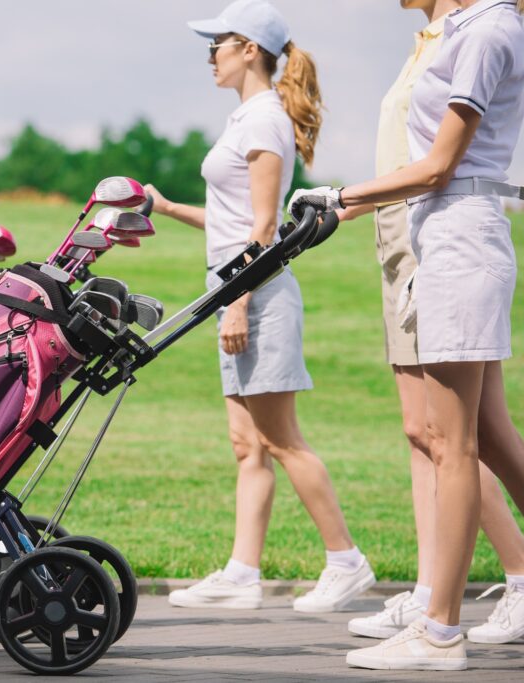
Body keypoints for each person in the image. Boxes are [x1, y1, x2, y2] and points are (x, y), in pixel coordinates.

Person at [290, 0, 524, 670]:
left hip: (458, 237)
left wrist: (339, 195)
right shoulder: (464, 31)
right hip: (444, 234)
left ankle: (439, 632)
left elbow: (438, 165)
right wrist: (345, 206)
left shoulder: (488, 31)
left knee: (455, 445)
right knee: (489, 437)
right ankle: (438, 622)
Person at [148, 0, 375, 614]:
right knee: (247, 445)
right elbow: (230, 222)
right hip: (236, 291)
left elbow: (265, 230)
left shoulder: (264, 121)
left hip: (258, 298)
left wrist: (240, 303)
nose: (210, 55)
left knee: (282, 441)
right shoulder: (245, 117)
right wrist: (168, 209)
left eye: (217, 43)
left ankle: (347, 562)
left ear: (250, 49)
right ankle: (242, 573)